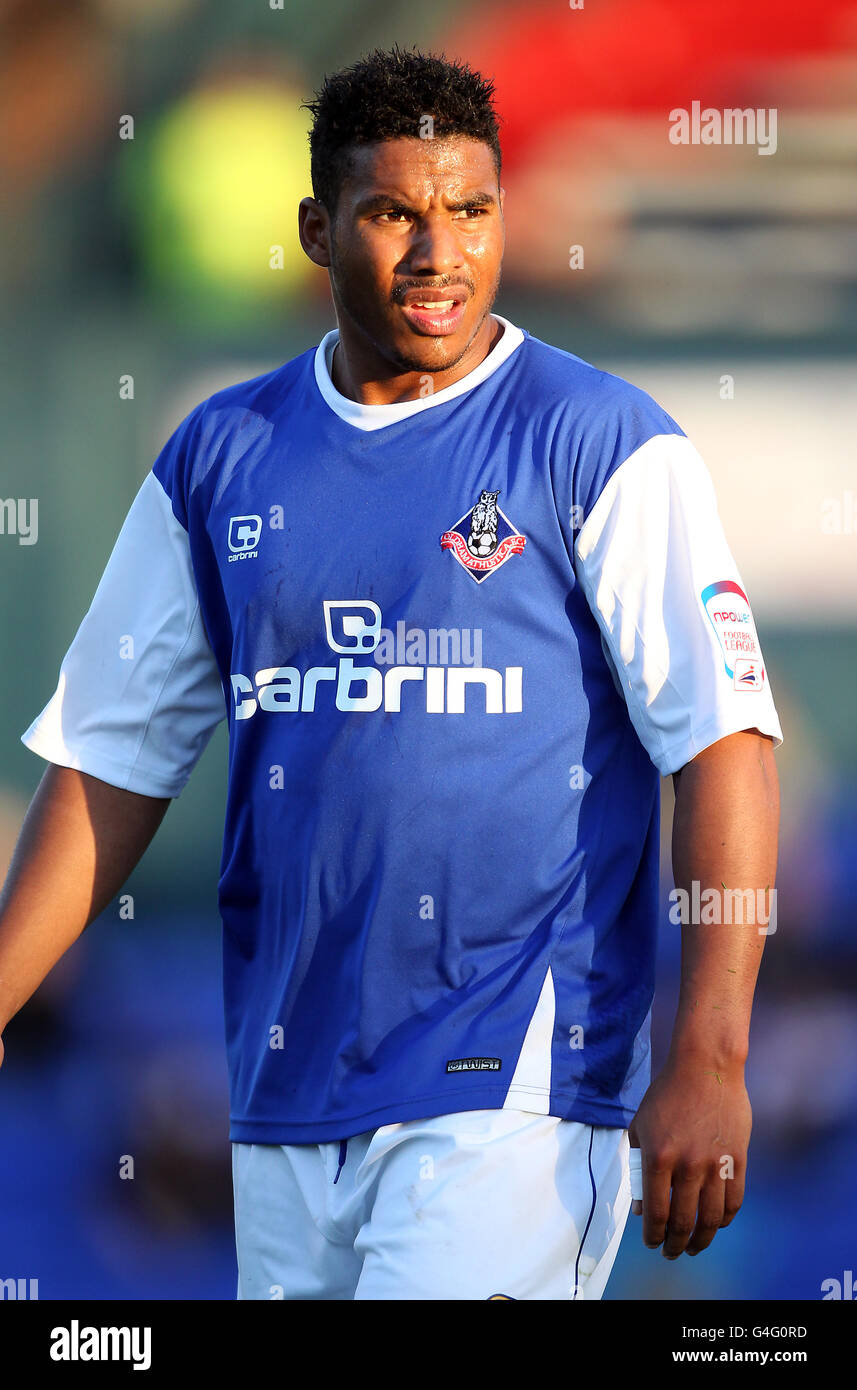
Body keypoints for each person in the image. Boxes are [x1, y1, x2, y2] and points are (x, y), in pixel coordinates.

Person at [0, 47, 781, 1300]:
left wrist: (711, 1054)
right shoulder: (221, 454)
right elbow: (110, 760)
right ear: (317, 229)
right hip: (285, 1085)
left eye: (470, 211)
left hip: (513, 1080)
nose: (440, 254)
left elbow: (723, 747)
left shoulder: (600, 441)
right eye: (393, 214)